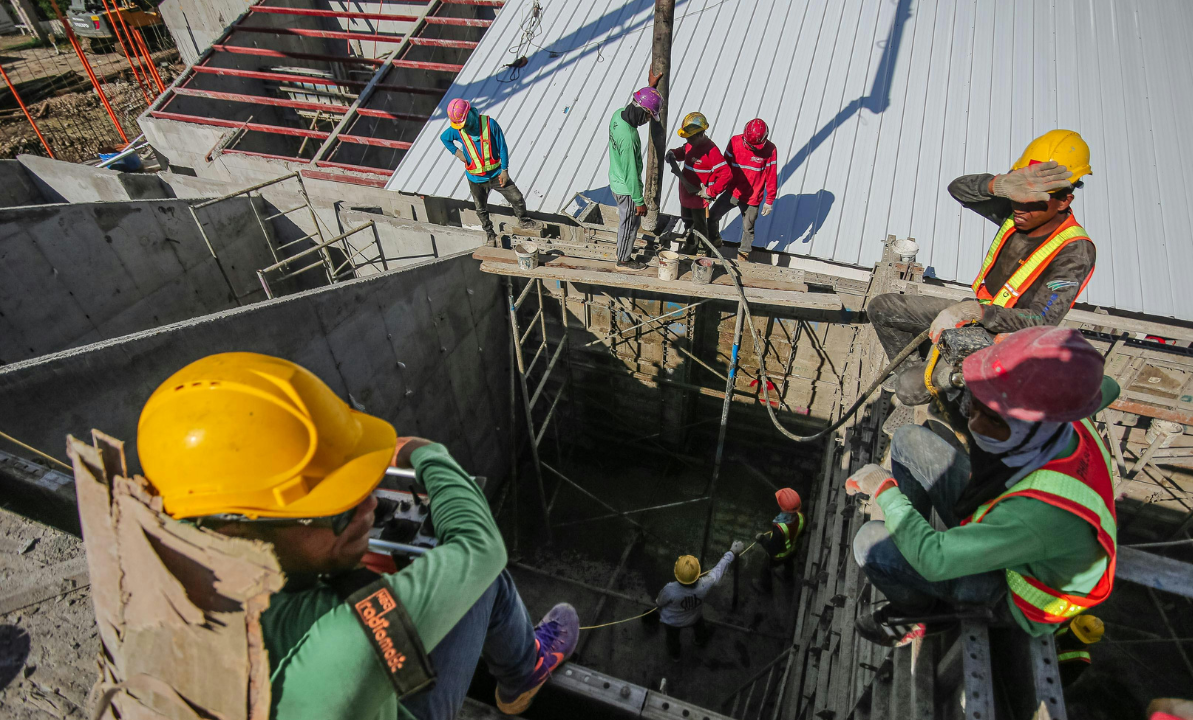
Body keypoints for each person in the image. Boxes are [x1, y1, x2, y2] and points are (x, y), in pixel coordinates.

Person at [135, 352, 578, 719]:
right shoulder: (340, 639)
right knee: (484, 583)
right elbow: (481, 548)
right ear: (236, 530)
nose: (368, 510)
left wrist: (327, 555)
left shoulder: (161, 553)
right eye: (338, 510)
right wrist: (430, 454)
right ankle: (524, 673)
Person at [846, 326, 1119, 646]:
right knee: (908, 440)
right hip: (1019, 537)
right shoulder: (1065, 409)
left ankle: (920, 612)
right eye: (977, 408)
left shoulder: (1037, 515)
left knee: (869, 542)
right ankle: (910, 541)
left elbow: (936, 560)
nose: (975, 424)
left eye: (994, 419)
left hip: (1012, 592)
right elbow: (1110, 386)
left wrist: (883, 489)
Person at [867, 130, 1096, 406]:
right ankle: (916, 373)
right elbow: (957, 188)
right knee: (882, 308)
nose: (1019, 207)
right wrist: (998, 185)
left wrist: (973, 312)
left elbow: (1040, 320)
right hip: (976, 311)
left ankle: (924, 386)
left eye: (1031, 202)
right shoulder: (1019, 212)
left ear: (1064, 200)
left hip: (1002, 339)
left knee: (906, 390)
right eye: (1017, 197)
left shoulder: (1075, 251)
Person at [440, 99, 538, 247]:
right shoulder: (457, 130)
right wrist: (457, 152)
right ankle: (490, 234)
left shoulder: (490, 124)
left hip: (496, 174)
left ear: (469, 114)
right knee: (481, 209)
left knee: (517, 198)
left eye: (464, 123)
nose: (463, 127)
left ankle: (524, 221)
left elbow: (502, 146)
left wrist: (504, 170)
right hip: (475, 178)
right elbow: (444, 138)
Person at [608, 74, 664, 271]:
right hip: (627, 189)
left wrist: (650, 87)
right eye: (648, 116)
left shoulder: (618, 114)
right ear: (643, 112)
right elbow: (631, 174)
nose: (647, 121)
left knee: (626, 221)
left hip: (616, 179)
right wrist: (639, 201)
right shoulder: (629, 139)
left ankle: (621, 250)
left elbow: (639, 103)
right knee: (630, 224)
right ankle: (623, 260)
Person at [654, 543, 744, 660]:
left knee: (672, 639)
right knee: (700, 627)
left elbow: (659, 602)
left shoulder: (670, 589)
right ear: (698, 574)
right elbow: (719, 569)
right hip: (694, 617)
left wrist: (658, 604)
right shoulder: (705, 584)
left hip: (673, 622)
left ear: (677, 575)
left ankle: (675, 655)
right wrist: (732, 551)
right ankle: (700, 640)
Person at [710, 118, 778, 262]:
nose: (752, 148)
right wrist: (714, 187)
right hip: (732, 191)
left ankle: (743, 257)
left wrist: (769, 200)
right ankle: (714, 241)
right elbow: (723, 167)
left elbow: (771, 175)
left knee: (748, 229)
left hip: (752, 198)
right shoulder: (735, 142)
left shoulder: (770, 150)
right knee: (712, 216)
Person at [665, 112, 732, 251]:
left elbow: (726, 175)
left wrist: (710, 192)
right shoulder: (691, 144)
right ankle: (690, 245)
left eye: (690, 138)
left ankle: (702, 250)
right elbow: (683, 151)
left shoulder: (711, 151)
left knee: (699, 227)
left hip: (698, 198)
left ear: (701, 134)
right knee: (687, 222)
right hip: (685, 193)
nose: (688, 140)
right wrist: (673, 153)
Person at [752, 487, 806, 594]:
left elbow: (772, 550)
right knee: (789, 564)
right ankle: (788, 578)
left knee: (766, 569)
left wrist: (761, 539)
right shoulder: (801, 517)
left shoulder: (780, 529)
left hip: (778, 556)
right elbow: (802, 533)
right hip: (792, 550)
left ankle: (764, 587)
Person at [1054, 614, 1103, 687]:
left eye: (1076, 637)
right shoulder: (1066, 625)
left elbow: (1061, 682)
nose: (1071, 635)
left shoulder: (1081, 661)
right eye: (1072, 631)